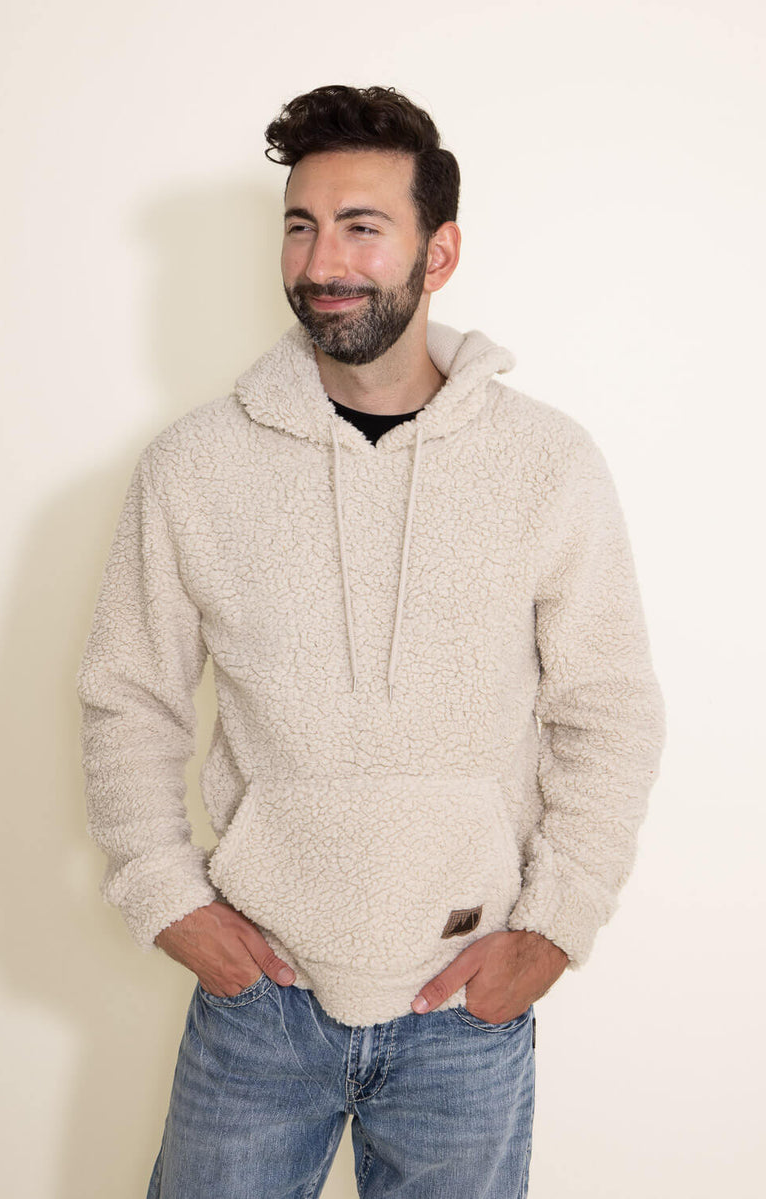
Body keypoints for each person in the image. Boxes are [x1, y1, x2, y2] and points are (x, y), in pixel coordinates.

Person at [76, 83, 666, 1198]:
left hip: (463, 1005)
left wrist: (554, 927)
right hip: (259, 1003)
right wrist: (164, 891)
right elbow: (128, 695)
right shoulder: (194, 464)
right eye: (300, 226)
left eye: (361, 227)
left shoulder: (546, 463)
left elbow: (608, 708)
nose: (321, 262)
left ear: (439, 253)